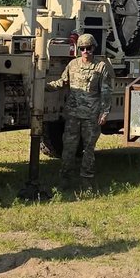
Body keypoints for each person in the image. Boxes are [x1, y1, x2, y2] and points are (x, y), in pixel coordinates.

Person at [47, 33, 112, 192]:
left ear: (93, 48)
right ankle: (65, 180)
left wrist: (104, 112)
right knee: (68, 148)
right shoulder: (73, 65)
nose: (85, 51)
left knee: (88, 150)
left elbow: (106, 91)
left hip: (91, 116)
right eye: (82, 48)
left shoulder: (101, 67)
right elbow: (63, 82)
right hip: (73, 116)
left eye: (88, 48)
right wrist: (45, 86)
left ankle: (86, 182)